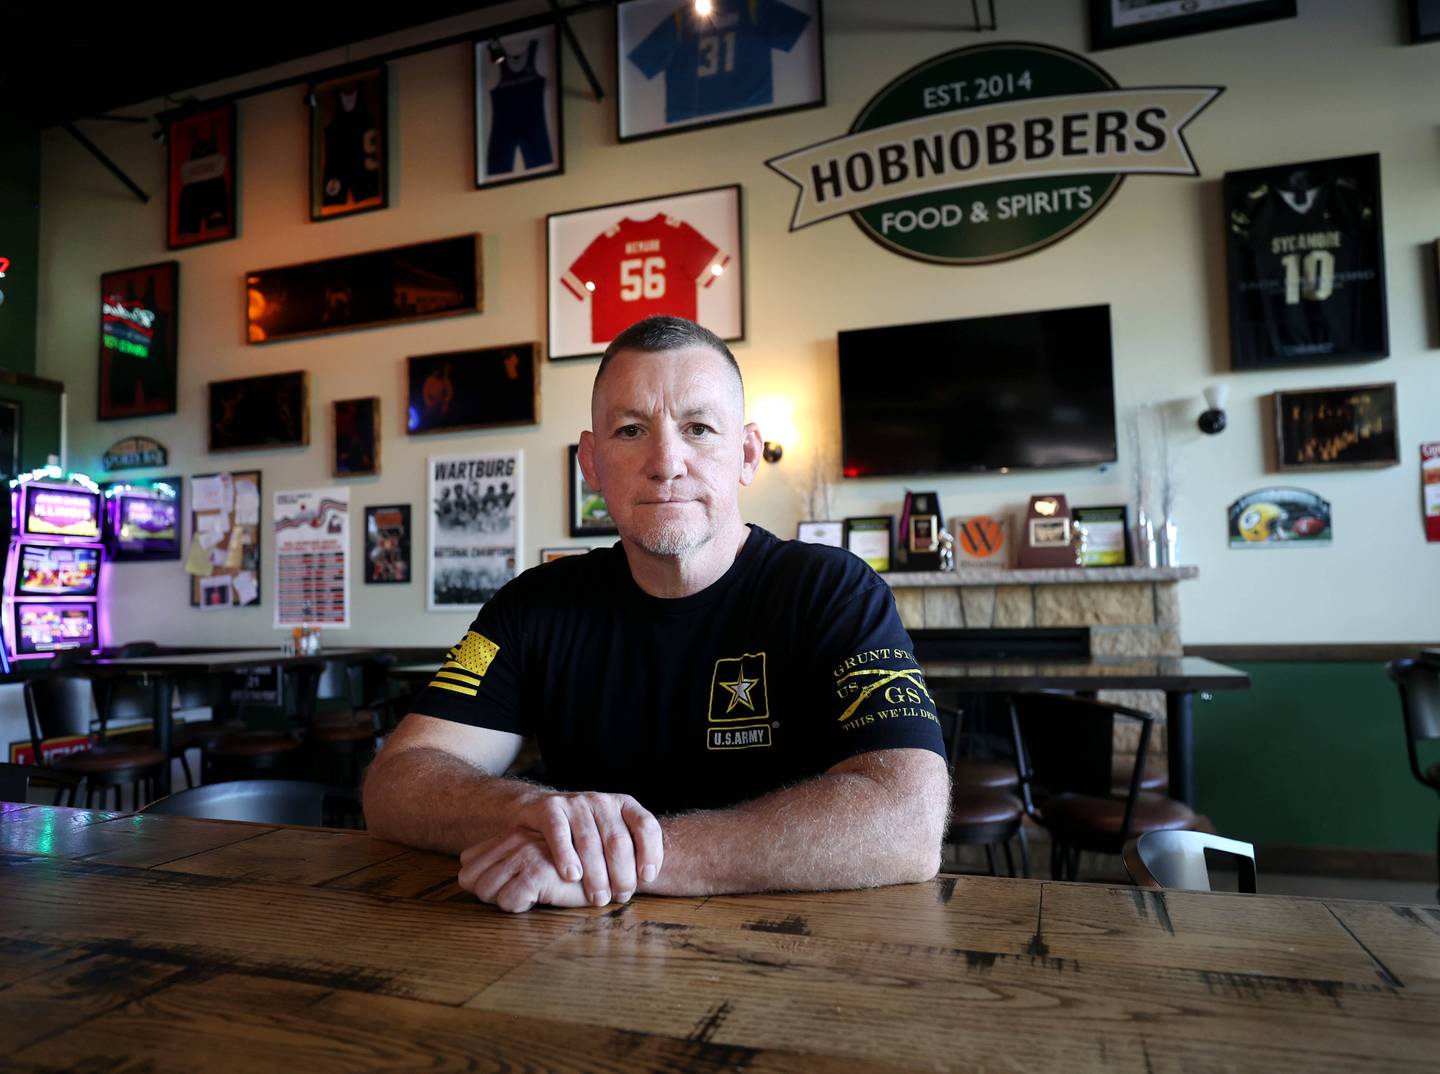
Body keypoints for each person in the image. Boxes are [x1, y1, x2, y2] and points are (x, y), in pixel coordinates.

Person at [364, 315, 950, 912]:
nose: (666, 462)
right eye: (630, 430)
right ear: (591, 463)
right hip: (571, 947)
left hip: (790, 945)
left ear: (747, 454)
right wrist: (533, 812)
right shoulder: (531, 605)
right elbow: (396, 781)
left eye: (698, 428)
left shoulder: (834, 591)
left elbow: (910, 818)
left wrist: (624, 856)